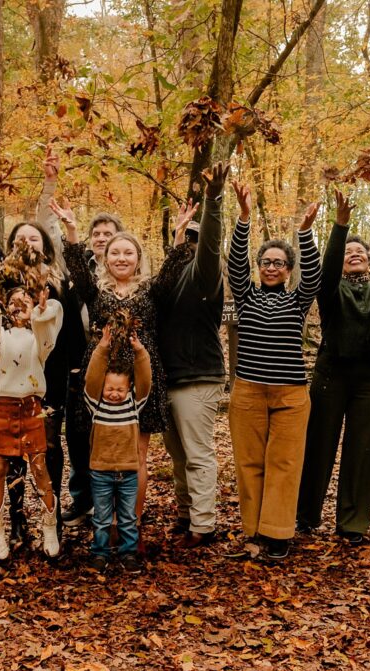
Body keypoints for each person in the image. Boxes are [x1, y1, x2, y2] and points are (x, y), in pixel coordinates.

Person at [0, 150, 86, 548]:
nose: (27, 241)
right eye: (20, 238)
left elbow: (70, 325)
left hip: (51, 375)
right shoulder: (3, 278)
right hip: (10, 374)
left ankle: (48, 514)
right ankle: (17, 518)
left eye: (34, 237)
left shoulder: (57, 280)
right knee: (12, 449)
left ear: (44, 246)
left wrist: (76, 368)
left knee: (47, 446)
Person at [296, 187, 370, 545]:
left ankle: (352, 522)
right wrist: (341, 227)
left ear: (368, 260)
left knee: (362, 450)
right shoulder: (331, 291)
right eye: (349, 252)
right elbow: (328, 268)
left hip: (368, 379)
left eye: (359, 252)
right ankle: (305, 515)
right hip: (331, 374)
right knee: (319, 445)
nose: (354, 255)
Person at [56, 203, 182, 535]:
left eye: (129, 253)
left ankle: (131, 524)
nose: (122, 258)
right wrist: (70, 229)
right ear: (106, 258)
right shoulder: (96, 293)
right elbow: (77, 268)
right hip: (102, 375)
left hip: (142, 374)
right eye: (115, 253)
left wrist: (180, 234)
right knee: (102, 454)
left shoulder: (150, 292)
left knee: (138, 455)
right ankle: (104, 522)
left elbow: (172, 270)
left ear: (138, 258)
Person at [226, 179, 321, 561]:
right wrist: (245, 217)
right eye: (265, 262)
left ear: (287, 270)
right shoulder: (246, 297)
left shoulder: (297, 302)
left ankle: (277, 536)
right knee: (249, 464)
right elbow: (235, 264)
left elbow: (313, 276)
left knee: (284, 464)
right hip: (248, 392)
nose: (270, 267)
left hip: (291, 396)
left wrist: (304, 233)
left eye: (279, 263)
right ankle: (252, 532)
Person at [157, 163, 229, 549]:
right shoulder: (167, 279)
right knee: (178, 456)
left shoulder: (205, 277)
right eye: (183, 238)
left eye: (194, 240)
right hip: (168, 378)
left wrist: (213, 201)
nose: (189, 244)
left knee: (198, 454)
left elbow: (212, 244)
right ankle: (186, 515)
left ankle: (204, 525)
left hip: (198, 377)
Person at [46, 195, 122, 526]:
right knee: (77, 435)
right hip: (78, 361)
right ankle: (82, 500)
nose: (102, 239)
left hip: (116, 365)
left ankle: (115, 505)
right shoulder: (77, 269)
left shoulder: (125, 267)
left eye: (108, 233)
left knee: (110, 435)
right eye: (97, 234)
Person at [0, 286, 64, 558]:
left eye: (24, 300)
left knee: (38, 466)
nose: (18, 305)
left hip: (31, 406)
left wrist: (42, 308)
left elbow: (48, 329)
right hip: (2, 405)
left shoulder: (39, 337)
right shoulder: (0, 336)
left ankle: (49, 528)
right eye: (12, 301)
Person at [84, 326, 152, 573]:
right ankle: (100, 554)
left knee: (127, 518)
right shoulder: (95, 403)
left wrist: (140, 351)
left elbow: (145, 381)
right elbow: (92, 377)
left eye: (120, 390)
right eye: (110, 389)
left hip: (128, 473)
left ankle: (128, 554)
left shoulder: (134, 404)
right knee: (101, 518)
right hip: (101, 472)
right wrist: (102, 348)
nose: (114, 394)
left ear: (128, 389)